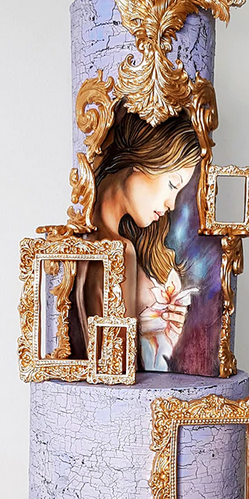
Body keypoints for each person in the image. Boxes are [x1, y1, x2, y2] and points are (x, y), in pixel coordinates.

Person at [71, 108, 202, 370]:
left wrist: (166, 335)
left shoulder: (88, 238)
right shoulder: (120, 251)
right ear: (141, 160)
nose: (172, 204)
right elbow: (118, 369)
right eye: (172, 184)